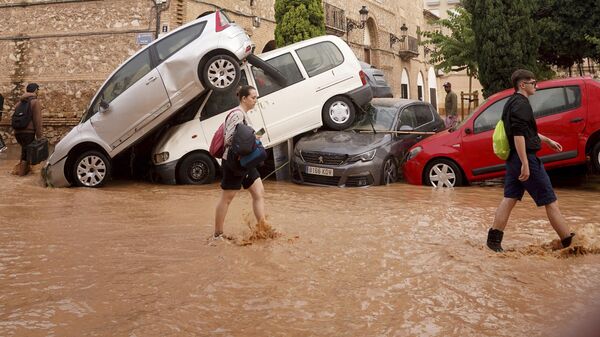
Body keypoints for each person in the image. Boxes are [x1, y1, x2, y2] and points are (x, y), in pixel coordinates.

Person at [486, 69, 575, 252]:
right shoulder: (522, 104)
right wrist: (526, 163)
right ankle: (570, 243)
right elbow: (518, 135)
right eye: (533, 83)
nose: (537, 86)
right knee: (550, 201)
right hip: (524, 159)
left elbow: (525, 131)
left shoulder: (510, 102)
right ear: (522, 85)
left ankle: (493, 241)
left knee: (509, 199)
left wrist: (547, 140)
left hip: (513, 159)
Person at [213, 85, 265, 239]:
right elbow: (229, 139)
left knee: (259, 192)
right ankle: (217, 235)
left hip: (246, 161)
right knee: (227, 198)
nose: (256, 100)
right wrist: (253, 138)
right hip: (233, 162)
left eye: (256, 97)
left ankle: (263, 229)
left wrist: (253, 137)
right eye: (253, 97)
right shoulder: (237, 115)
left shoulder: (244, 114)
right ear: (244, 98)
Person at [12, 83, 43, 176]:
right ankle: (21, 177)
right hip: (28, 132)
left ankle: (22, 171)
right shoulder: (35, 102)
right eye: (38, 90)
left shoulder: (19, 103)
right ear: (35, 90)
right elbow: (37, 120)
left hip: (17, 132)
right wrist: (40, 136)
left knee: (25, 151)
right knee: (26, 154)